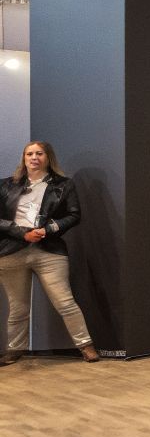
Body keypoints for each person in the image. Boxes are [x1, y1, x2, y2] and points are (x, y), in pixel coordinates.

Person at [0, 141, 101, 364]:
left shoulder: (63, 185)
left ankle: (86, 346)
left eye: (39, 153)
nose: (34, 157)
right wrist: (21, 233)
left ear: (48, 157)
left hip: (49, 251)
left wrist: (48, 230)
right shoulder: (6, 185)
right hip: (11, 252)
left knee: (65, 302)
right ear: (23, 158)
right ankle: (14, 349)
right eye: (29, 154)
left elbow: (74, 215)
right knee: (18, 307)